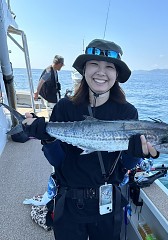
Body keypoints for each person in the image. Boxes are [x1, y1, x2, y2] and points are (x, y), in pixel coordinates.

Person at [22, 39, 159, 240]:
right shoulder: (65, 107)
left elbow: (124, 166)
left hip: (107, 206)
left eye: (109, 67)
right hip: (69, 203)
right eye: (94, 64)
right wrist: (47, 139)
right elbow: (58, 162)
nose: (101, 72)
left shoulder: (127, 112)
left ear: (117, 74)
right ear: (84, 69)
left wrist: (135, 155)